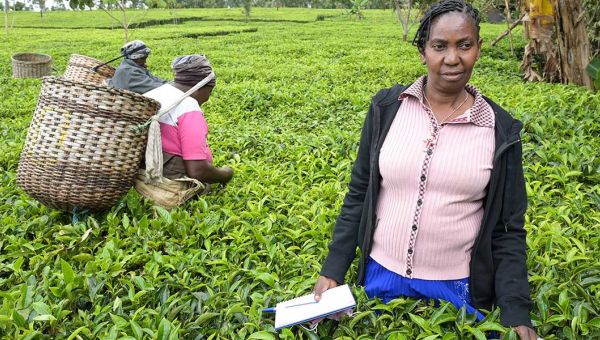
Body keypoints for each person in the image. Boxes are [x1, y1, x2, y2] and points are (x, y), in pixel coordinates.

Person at [313, 1, 538, 339]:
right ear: (422, 51)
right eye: (439, 46)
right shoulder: (386, 109)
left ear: (477, 49)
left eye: (465, 45)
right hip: (379, 276)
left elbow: (508, 230)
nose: (452, 58)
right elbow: (359, 194)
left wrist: (516, 311)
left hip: (458, 287)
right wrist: (333, 269)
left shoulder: (500, 129)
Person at [143, 54, 233, 186]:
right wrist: (226, 174)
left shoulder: (152, 94)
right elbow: (198, 171)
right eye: (209, 91)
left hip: (145, 169)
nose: (208, 98)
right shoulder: (188, 106)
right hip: (170, 178)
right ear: (200, 88)